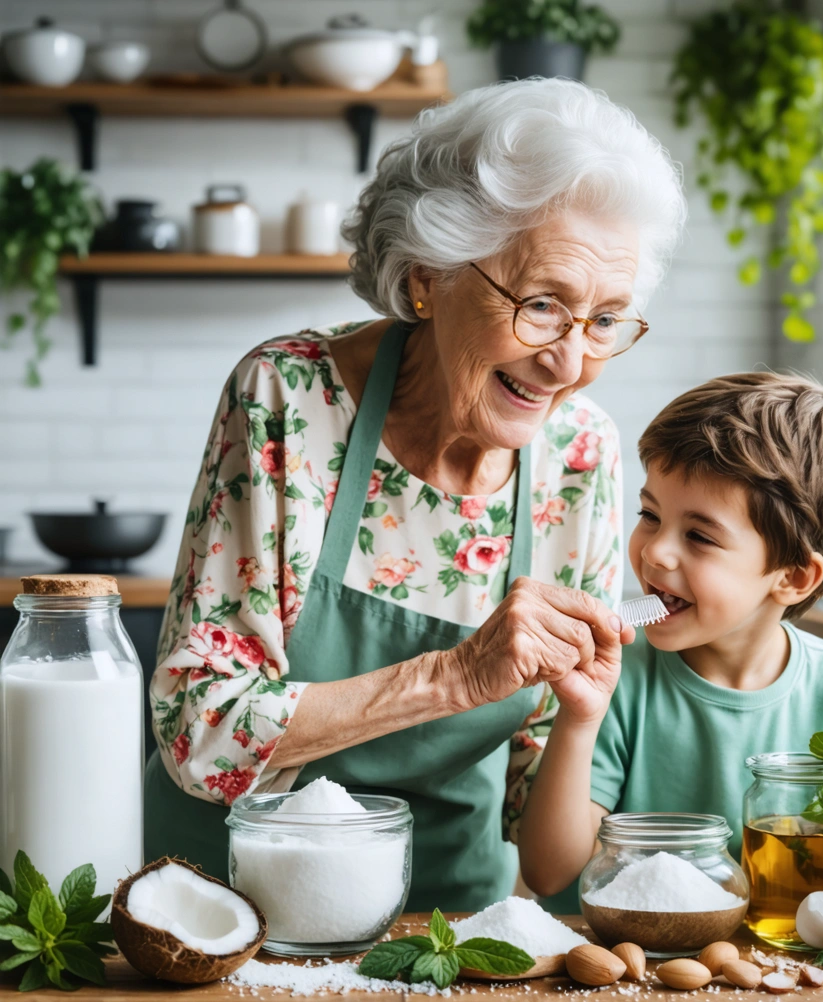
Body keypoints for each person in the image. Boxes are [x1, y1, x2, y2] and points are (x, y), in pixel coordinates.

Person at [144, 77, 683, 911]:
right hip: (227, 915)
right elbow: (201, 733)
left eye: (606, 320)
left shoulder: (582, 452)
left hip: (453, 929)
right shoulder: (289, 397)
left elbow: (536, 781)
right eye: (542, 305)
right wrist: (457, 676)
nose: (570, 363)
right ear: (430, 275)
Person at [517, 373, 823, 908]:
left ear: (791, 577)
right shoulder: (619, 676)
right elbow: (548, 874)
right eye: (650, 515)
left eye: (699, 535)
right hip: (616, 962)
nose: (655, 553)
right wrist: (579, 716)